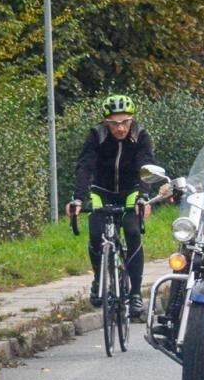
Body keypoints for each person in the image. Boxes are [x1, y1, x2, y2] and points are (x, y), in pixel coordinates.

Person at [68, 95, 158, 320]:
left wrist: (143, 198)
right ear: (106, 122)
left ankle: (135, 293)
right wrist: (78, 199)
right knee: (96, 232)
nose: (120, 128)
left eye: (125, 122)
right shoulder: (96, 135)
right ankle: (100, 278)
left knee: (132, 231)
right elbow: (85, 166)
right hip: (102, 190)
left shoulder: (141, 136)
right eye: (115, 123)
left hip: (131, 191)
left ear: (132, 119)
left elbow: (146, 167)